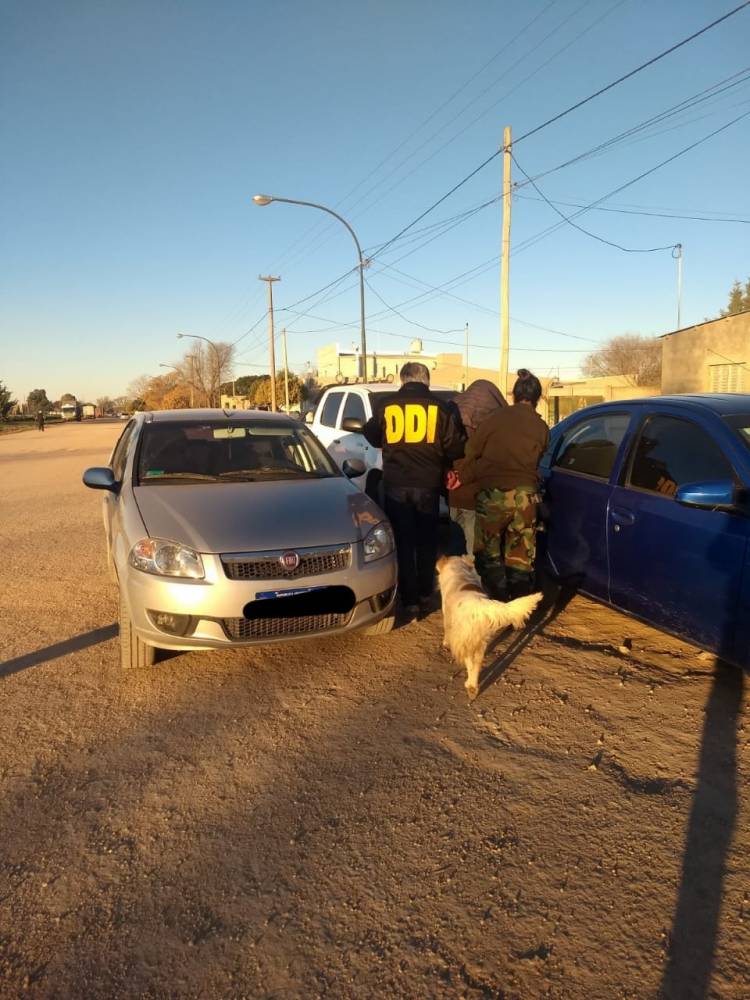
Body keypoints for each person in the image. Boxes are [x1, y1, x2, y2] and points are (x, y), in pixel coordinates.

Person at [363, 361, 465, 616]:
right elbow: (455, 447)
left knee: (404, 542)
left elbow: (372, 435)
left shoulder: (386, 405)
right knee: (427, 541)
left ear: (403, 379)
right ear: (426, 380)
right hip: (428, 484)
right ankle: (424, 592)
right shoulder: (440, 408)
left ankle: (409, 600)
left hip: (396, 483)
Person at [451, 369, 548, 600]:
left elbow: (472, 450)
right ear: (537, 398)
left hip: (493, 495)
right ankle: (519, 605)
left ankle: (495, 600)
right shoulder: (541, 427)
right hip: (526, 497)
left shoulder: (495, 419)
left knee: (489, 554)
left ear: (514, 394)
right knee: (522, 555)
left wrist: (462, 475)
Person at [446, 379, 506, 555]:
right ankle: (475, 582)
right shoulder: (493, 423)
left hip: (453, 493)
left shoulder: (452, 413)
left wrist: (449, 476)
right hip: (476, 496)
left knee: (456, 548)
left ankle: (457, 581)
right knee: (475, 551)